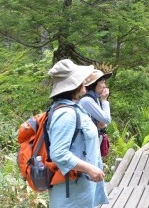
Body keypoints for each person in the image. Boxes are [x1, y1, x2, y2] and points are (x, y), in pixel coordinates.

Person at [47, 59, 109, 208]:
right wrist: (90, 169)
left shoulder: (72, 108)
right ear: (74, 84)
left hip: (79, 188)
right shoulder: (65, 114)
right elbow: (58, 153)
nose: (85, 81)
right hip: (72, 193)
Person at [78, 69, 112, 153]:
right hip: (85, 143)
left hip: (92, 139)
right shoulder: (87, 100)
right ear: (93, 84)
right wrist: (104, 100)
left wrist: (97, 125)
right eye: (102, 82)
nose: (104, 86)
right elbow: (107, 119)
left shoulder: (94, 98)